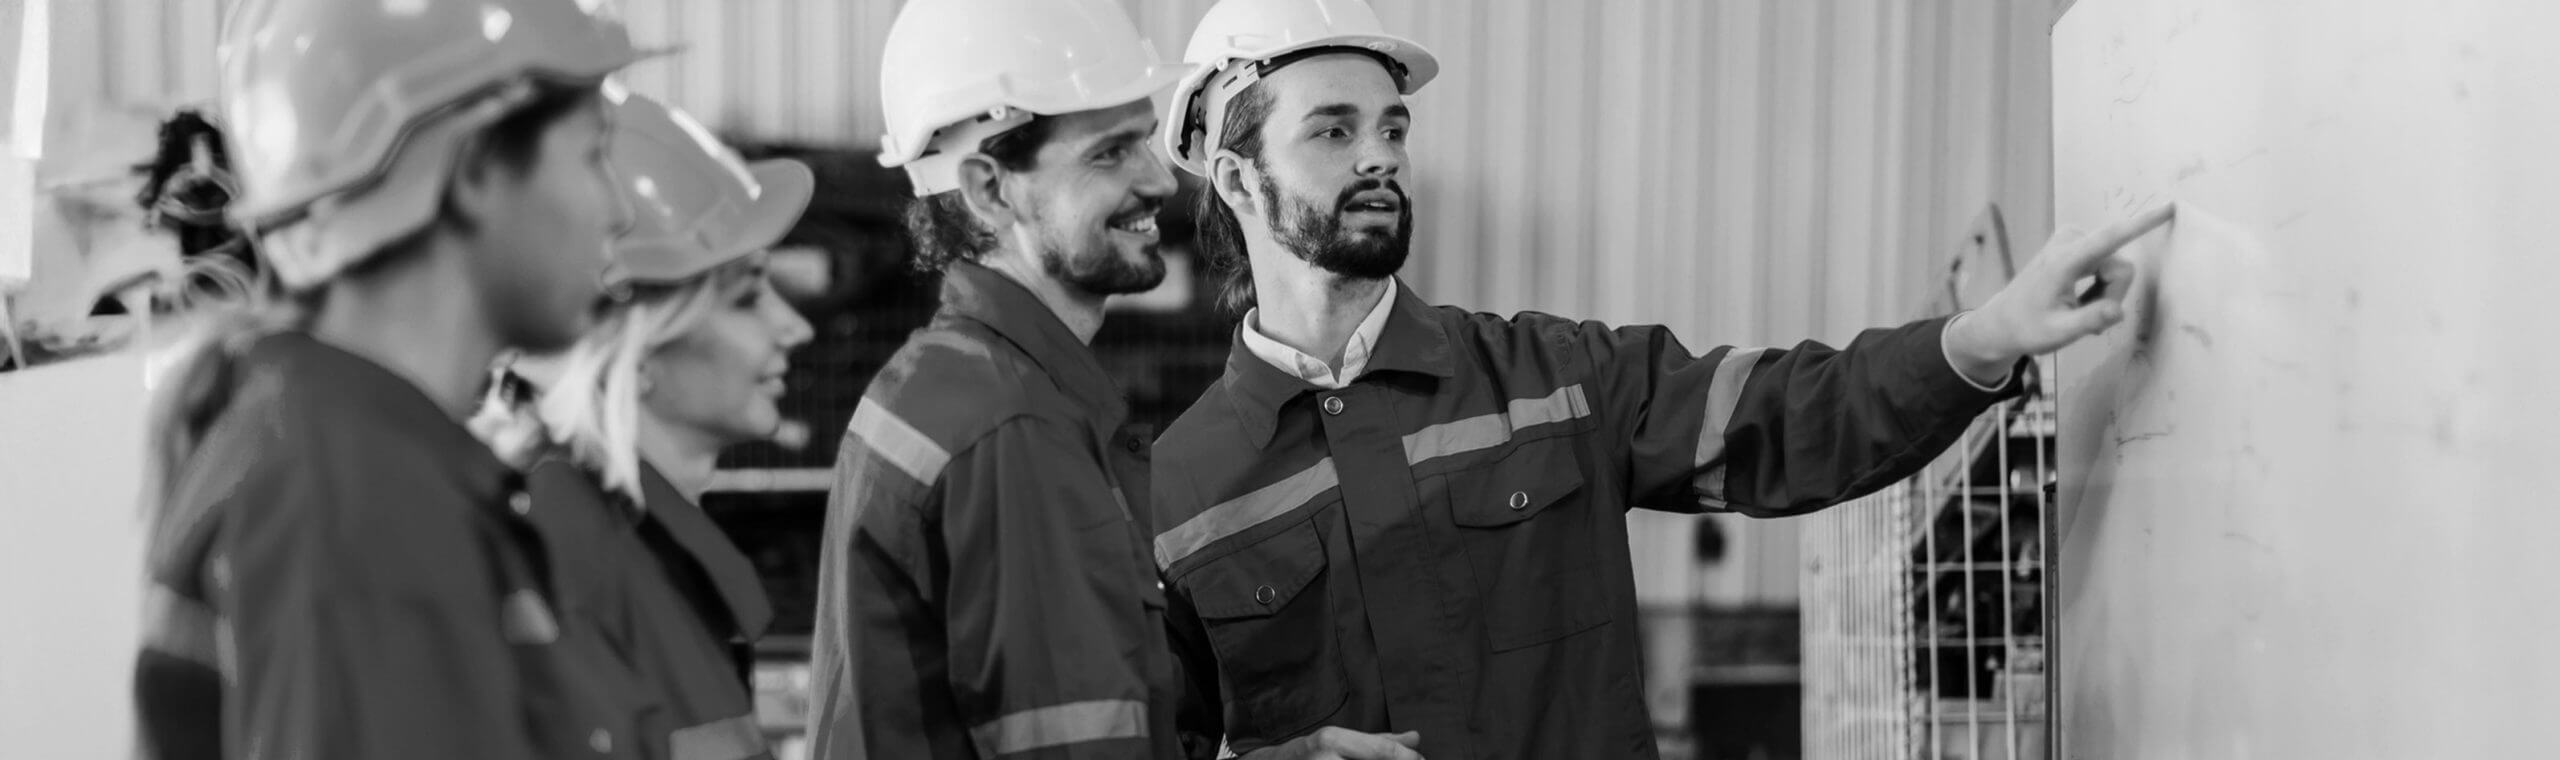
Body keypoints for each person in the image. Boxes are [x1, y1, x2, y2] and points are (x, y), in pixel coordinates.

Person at [1146, 0, 2173, 758]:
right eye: (1334, 130)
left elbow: (1794, 413)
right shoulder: (1177, 493)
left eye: (1393, 128)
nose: (1381, 156)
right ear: (1236, 178)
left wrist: (1987, 335)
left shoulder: (1552, 379)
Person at [131, 0, 645, 757]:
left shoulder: (347, 452)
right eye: (594, 154)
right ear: (473, 170)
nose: (621, 210)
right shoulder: (360, 493)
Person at [802, 0, 1197, 757]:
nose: (1161, 181)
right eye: (1110, 153)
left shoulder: (945, 381)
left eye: (1146, 140)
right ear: (990, 190)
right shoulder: (1013, 427)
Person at [479, 93, 815, 760]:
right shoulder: (569, 546)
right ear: (635, 346)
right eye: (747, 296)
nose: (795, 326)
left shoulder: (622, 539)